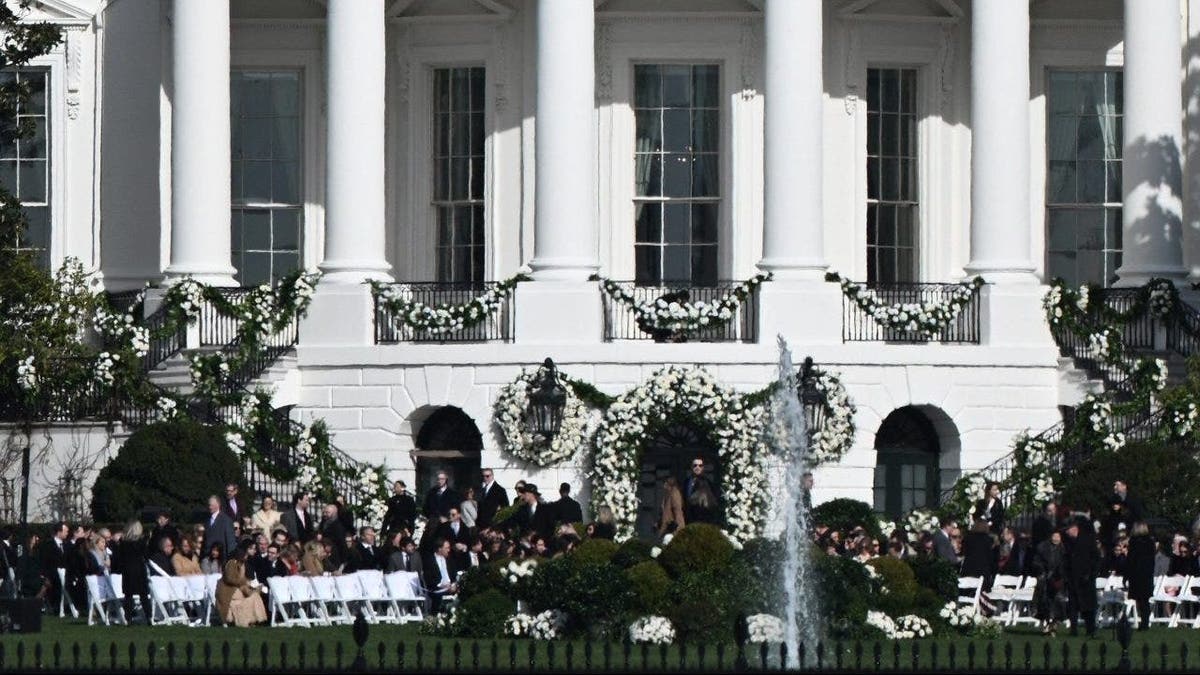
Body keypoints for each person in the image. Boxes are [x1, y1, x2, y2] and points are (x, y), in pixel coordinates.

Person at [215, 543, 267, 627]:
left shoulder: (242, 565)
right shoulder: (231, 563)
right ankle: (244, 621)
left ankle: (255, 620)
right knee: (248, 597)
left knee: (255, 596)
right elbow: (230, 579)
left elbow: (242, 578)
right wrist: (243, 582)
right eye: (245, 555)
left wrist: (247, 582)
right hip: (229, 590)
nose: (247, 557)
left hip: (239, 588)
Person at [1064, 516, 1099, 637]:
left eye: (1068, 529)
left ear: (1074, 528)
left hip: (1086, 578)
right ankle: (1073, 629)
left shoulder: (1087, 540)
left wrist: (1090, 574)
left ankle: (1091, 629)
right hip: (1073, 578)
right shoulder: (1068, 542)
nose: (1066, 532)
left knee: (1088, 606)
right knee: (1073, 605)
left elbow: (1095, 559)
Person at [1032, 530, 1067, 635]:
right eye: (1054, 536)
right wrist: (1043, 571)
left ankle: (1054, 624)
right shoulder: (1042, 548)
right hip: (1045, 580)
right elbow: (1036, 562)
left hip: (1058, 580)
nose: (1056, 538)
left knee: (1059, 602)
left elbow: (1065, 564)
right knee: (1044, 602)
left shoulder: (1064, 549)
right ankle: (1047, 623)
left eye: (1058, 536)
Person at [116, 520, 151, 624]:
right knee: (144, 595)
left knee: (128, 596)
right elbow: (146, 555)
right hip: (139, 570)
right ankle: (148, 617)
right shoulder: (141, 542)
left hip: (127, 570)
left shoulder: (123, 543)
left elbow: (120, 557)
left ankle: (129, 618)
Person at [1125, 521, 1156, 631]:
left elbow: (1130, 559)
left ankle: (1143, 623)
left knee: (1140, 600)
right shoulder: (1150, 542)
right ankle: (1145, 623)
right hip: (1146, 575)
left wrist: (1126, 575)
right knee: (1145, 601)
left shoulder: (1134, 542)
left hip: (1136, 574)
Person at [39, 522, 70, 612]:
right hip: (52, 574)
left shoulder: (66, 545)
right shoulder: (48, 545)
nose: (67, 533)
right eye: (65, 531)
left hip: (64, 573)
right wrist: (45, 575)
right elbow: (44, 560)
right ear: (59, 532)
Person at [423, 538, 459, 614]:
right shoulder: (429, 561)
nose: (449, 550)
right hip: (437, 588)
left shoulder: (449, 560)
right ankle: (436, 613)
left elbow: (454, 575)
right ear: (439, 549)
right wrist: (442, 585)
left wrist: (453, 585)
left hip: (451, 587)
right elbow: (428, 579)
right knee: (438, 597)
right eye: (446, 548)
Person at [203, 495, 238, 564]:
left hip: (221, 559)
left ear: (218, 505)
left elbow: (230, 542)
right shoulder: (207, 520)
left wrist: (230, 560)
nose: (210, 507)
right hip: (208, 558)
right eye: (209, 505)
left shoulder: (226, 520)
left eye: (212, 505)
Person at [684, 457, 719, 524]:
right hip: (688, 517)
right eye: (695, 465)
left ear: (703, 467)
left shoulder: (707, 482)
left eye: (700, 465)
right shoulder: (687, 481)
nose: (697, 467)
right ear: (691, 467)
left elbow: (711, 500)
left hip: (702, 518)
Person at [318, 503, 349, 571]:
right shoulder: (324, 522)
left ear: (334, 513)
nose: (325, 514)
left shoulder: (338, 526)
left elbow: (341, 543)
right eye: (324, 512)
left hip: (333, 555)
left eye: (327, 512)